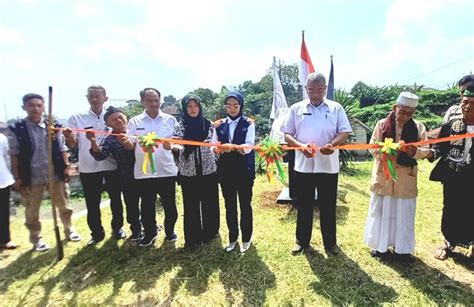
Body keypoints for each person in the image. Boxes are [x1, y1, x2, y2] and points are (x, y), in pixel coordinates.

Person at [281, 73, 352, 256]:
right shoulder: (296, 108)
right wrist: (300, 146)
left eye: (320, 90)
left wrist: (333, 144)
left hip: (328, 166)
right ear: (306, 89)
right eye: (311, 90)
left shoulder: (336, 108)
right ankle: (301, 241)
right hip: (304, 165)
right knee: (303, 204)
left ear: (325, 89)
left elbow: (344, 132)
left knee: (328, 205)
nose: (315, 94)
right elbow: (287, 135)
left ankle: (330, 244)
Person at [364, 92, 431, 261]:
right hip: (384, 177)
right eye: (402, 111)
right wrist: (386, 150)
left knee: (404, 214)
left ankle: (403, 250)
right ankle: (380, 248)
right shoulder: (381, 125)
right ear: (395, 108)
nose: (405, 116)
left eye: (410, 113)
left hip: (405, 179)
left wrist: (414, 151)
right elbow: (372, 147)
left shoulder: (419, 127)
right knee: (381, 212)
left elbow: (426, 150)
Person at [9, 93, 81, 252]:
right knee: (32, 210)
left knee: (64, 206)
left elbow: (63, 148)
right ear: (24, 107)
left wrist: (66, 166)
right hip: (31, 176)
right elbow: (14, 154)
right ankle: (36, 239)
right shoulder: (19, 129)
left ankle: (69, 229)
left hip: (54, 174)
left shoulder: (53, 126)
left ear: (43, 107)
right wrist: (17, 177)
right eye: (31, 105)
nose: (35, 108)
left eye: (38, 105)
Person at [64, 85, 125, 245]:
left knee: (116, 200)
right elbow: (73, 145)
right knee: (92, 202)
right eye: (91, 96)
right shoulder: (77, 118)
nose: (94, 99)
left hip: (112, 165)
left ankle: (118, 228)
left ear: (105, 98)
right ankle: (96, 233)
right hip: (88, 167)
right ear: (87, 98)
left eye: (98, 96)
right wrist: (69, 137)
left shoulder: (113, 116)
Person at [127, 87, 178, 247]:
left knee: (170, 205)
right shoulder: (135, 122)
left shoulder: (170, 120)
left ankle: (170, 232)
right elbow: (130, 145)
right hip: (144, 173)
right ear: (143, 101)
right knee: (147, 206)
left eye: (156, 100)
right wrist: (124, 141)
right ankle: (150, 233)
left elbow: (178, 142)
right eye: (150, 100)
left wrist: (173, 145)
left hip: (167, 170)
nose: (154, 103)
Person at [429, 86, 474, 260]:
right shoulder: (452, 124)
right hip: (453, 174)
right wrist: (429, 153)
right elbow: (440, 147)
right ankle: (448, 242)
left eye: (472, 103)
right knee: (450, 208)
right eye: (465, 102)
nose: (468, 106)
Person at [86, 106, 142, 242]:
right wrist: (93, 141)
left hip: (144, 175)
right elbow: (100, 156)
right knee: (131, 204)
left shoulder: (136, 133)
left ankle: (148, 226)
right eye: (113, 119)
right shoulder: (109, 139)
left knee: (146, 203)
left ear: (126, 119)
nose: (118, 121)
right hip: (126, 177)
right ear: (107, 124)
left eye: (120, 117)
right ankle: (136, 230)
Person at [171, 94, 220, 250]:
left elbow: (213, 145)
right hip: (188, 171)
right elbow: (176, 145)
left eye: (196, 106)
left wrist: (218, 150)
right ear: (185, 108)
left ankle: (210, 233)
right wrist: (174, 147)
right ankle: (193, 238)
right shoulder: (180, 126)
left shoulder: (209, 125)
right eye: (189, 106)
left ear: (200, 107)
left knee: (210, 203)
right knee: (191, 206)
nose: (193, 109)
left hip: (208, 170)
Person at [212, 91, 255, 253]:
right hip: (225, 172)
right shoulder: (218, 125)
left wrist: (233, 147)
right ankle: (232, 238)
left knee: (245, 205)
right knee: (229, 205)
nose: (232, 108)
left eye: (236, 105)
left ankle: (246, 238)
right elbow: (213, 146)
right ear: (225, 107)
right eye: (229, 105)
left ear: (241, 106)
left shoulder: (249, 123)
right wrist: (218, 149)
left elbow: (249, 146)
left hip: (244, 171)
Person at [0, 131, 18, 250]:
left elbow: (7, 158)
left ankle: (4, 240)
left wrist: (12, 175)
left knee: (3, 211)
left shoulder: (2, 138)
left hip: (2, 179)